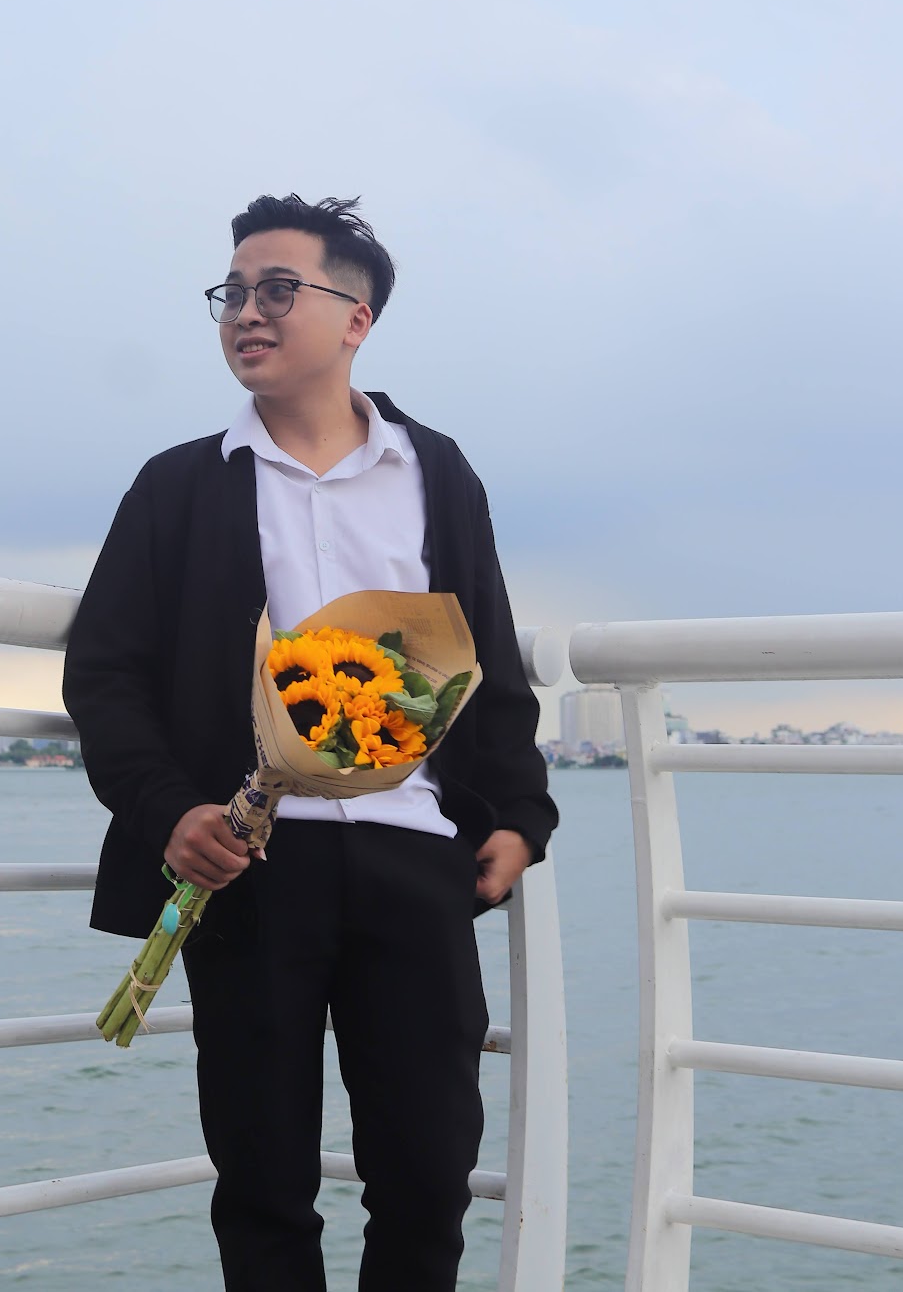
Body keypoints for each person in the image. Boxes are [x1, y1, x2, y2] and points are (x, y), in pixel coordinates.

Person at [64, 193, 557, 1292]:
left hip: (415, 860)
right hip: (252, 866)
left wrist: (524, 816)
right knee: (262, 1181)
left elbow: (488, 661)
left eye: (279, 289)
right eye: (232, 293)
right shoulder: (178, 485)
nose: (248, 312)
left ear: (357, 318)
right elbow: (104, 675)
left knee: (428, 1174)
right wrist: (170, 812)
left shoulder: (437, 471)